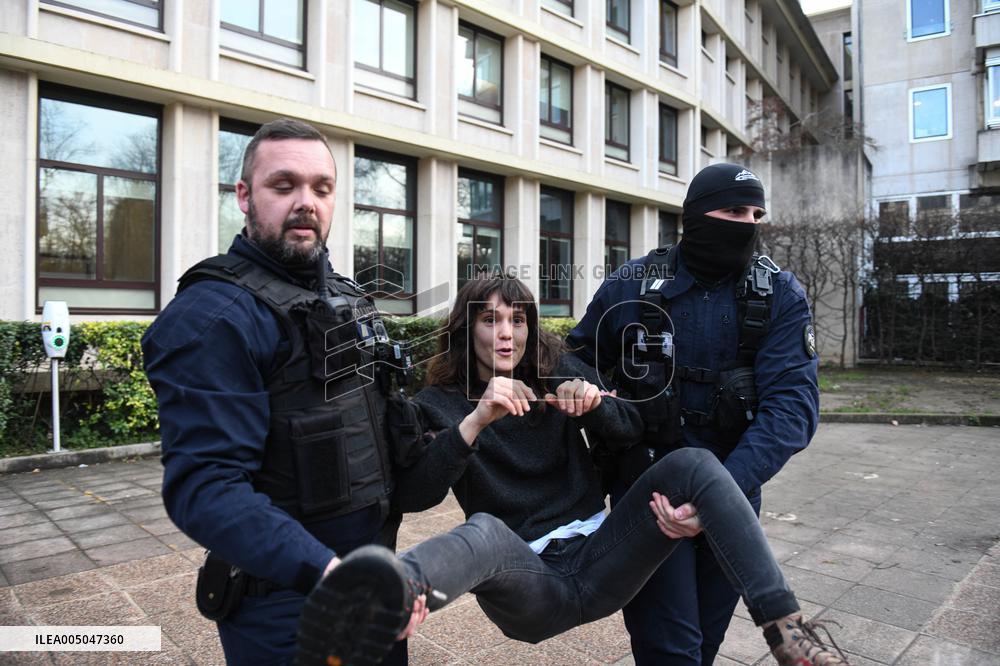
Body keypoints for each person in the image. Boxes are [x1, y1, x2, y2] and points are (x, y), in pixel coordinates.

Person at [295, 275, 848, 666]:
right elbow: (415, 495)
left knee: (694, 464)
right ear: (468, 329)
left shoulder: (555, 373)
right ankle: (371, 602)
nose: (506, 333)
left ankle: (787, 631)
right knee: (483, 531)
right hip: (530, 581)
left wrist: (594, 402)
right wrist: (475, 421)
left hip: (602, 558)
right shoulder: (437, 404)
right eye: (490, 320)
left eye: (517, 319)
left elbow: (631, 428)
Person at [142, 119, 423, 665]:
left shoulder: (345, 298)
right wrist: (328, 574)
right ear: (244, 196)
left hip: (374, 587)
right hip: (289, 610)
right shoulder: (211, 317)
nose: (306, 203)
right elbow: (206, 487)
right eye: (284, 185)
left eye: (322, 188)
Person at [567, 162, 821, 664]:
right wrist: (584, 389)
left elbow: (792, 407)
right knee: (669, 649)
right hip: (649, 495)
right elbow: (577, 356)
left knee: (705, 643)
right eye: (734, 211)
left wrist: (717, 499)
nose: (748, 224)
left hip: (735, 491)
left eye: (756, 214)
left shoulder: (778, 294)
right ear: (696, 216)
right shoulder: (633, 283)